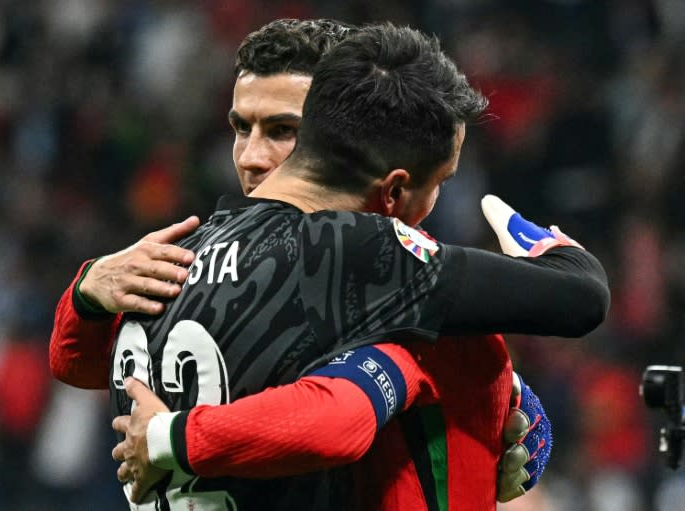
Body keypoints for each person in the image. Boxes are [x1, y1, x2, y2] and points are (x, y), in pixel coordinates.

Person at [100, 22, 608, 510]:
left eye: (281, 130)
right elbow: (339, 417)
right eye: (244, 128)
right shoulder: (366, 260)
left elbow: (70, 355)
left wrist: (498, 396)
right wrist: (173, 438)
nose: (253, 157)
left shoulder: (170, 259)